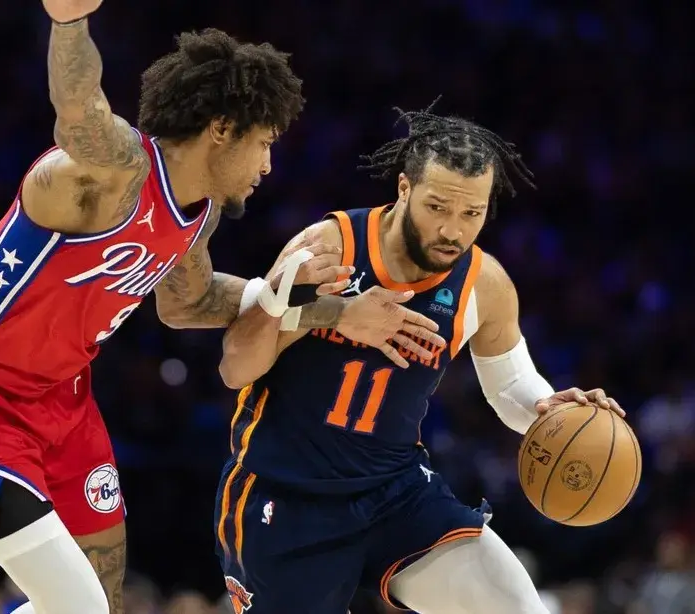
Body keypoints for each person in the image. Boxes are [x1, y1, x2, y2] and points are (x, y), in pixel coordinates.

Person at [0, 2, 441, 613]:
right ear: (220, 129)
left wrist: (320, 307)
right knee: (79, 608)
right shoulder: (118, 171)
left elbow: (190, 305)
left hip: (64, 399)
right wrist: (68, 21)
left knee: (96, 604)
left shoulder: (198, 213)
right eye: (263, 142)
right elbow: (78, 117)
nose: (268, 164)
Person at [214, 101, 625, 614]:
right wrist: (326, 311)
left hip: (394, 493)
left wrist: (555, 410)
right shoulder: (330, 247)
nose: (453, 230)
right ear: (404, 189)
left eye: (471, 214)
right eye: (437, 208)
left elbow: (511, 388)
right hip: (287, 496)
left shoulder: (485, 285)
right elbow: (236, 367)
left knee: (520, 608)